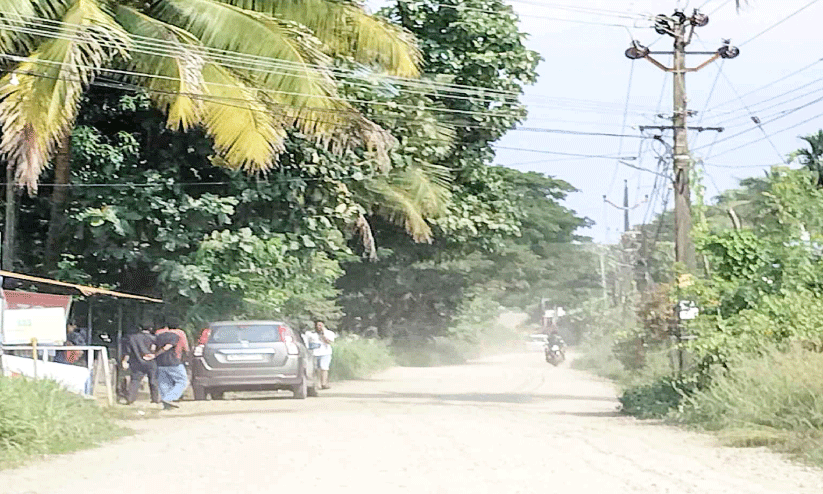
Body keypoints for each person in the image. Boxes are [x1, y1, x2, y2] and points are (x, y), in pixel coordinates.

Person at [122, 324, 160, 406]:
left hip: (137, 362)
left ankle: (130, 399)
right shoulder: (153, 338)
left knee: (135, 380)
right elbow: (154, 349)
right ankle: (155, 399)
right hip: (150, 362)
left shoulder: (132, 338)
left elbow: (127, 352)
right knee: (153, 380)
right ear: (150, 328)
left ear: (140, 328)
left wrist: (124, 361)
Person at [153, 326, 187, 410]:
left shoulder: (157, 335)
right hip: (173, 361)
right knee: (182, 381)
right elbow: (184, 347)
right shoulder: (177, 334)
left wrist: (154, 355)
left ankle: (166, 404)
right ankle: (169, 398)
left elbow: (152, 347)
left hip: (160, 362)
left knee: (164, 382)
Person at [305, 320, 336, 390]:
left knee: (324, 368)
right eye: (317, 325)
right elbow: (307, 343)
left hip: (325, 353)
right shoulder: (310, 334)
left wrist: (323, 334)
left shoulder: (329, 333)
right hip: (314, 353)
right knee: (316, 369)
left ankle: (324, 383)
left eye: (320, 325)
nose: (318, 327)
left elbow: (329, 341)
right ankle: (317, 384)